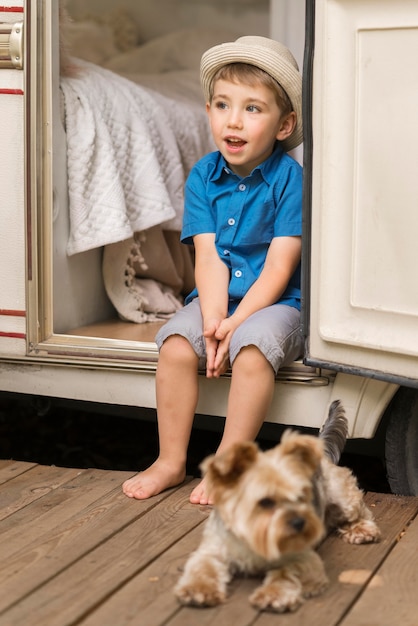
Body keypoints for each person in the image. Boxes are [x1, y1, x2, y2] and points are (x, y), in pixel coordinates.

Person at [122, 35, 304, 505]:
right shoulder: (204, 174)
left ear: (284, 125)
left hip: (277, 301)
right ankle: (170, 460)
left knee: (251, 351)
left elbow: (280, 266)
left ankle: (229, 465)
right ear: (208, 112)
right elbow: (208, 257)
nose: (233, 120)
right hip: (220, 298)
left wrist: (236, 324)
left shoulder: (291, 179)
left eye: (252, 109)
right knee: (179, 346)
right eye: (222, 105)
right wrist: (211, 322)